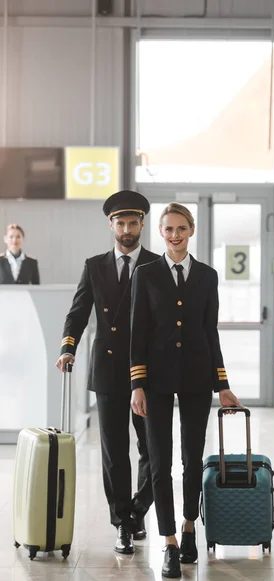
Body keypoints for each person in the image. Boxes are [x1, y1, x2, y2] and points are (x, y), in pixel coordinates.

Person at [130, 202, 242, 579]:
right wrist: (137, 385)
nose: (174, 235)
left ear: (191, 230)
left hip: (196, 378)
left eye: (181, 228)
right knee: (160, 464)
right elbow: (138, 334)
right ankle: (170, 542)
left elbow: (211, 333)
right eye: (168, 229)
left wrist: (222, 385)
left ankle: (190, 527)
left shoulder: (208, 276)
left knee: (192, 460)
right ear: (159, 233)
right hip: (156, 382)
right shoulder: (145, 274)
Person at [56, 190, 159, 554]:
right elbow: (78, 312)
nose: (127, 229)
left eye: (133, 222)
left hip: (149, 374)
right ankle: (123, 523)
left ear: (142, 224)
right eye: (121, 222)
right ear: (111, 225)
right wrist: (68, 347)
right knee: (115, 451)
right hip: (109, 373)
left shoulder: (156, 265)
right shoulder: (94, 266)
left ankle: (138, 510)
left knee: (152, 448)